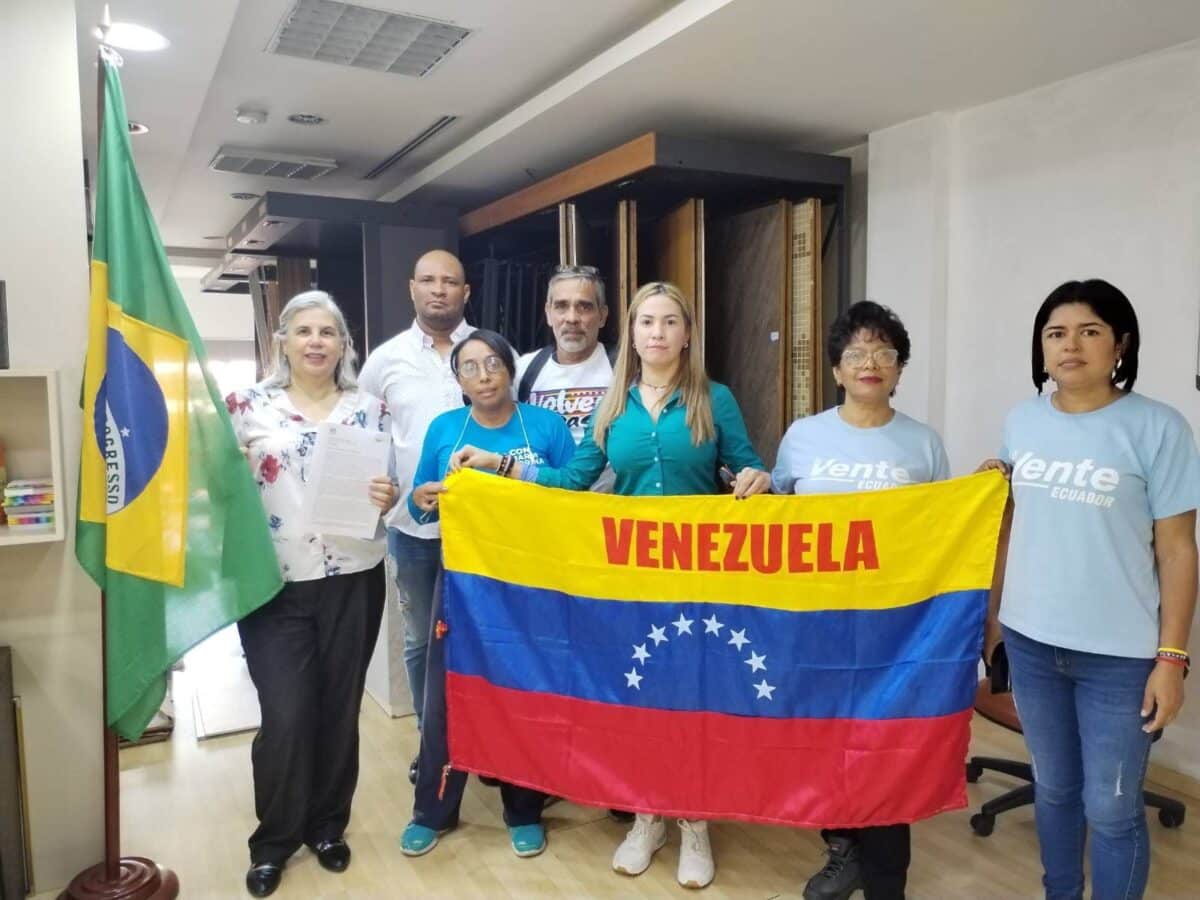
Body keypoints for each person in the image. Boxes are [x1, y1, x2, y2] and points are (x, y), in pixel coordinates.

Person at [453, 281, 772, 889]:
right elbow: (573, 478)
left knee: (692, 700)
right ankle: (649, 817)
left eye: (670, 322)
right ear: (632, 331)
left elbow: (746, 461)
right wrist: (500, 467)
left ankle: (695, 824)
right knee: (642, 702)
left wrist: (757, 475)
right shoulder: (614, 404)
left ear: (686, 332)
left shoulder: (715, 398)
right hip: (629, 580)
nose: (657, 333)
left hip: (696, 578)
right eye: (647, 321)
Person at [979, 279, 1199, 900]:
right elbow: (1008, 523)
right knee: (1054, 788)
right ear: (1041, 350)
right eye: (1056, 333)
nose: (1070, 345)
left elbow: (1178, 549)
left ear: (1120, 345)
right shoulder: (1022, 421)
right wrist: (994, 618)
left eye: (1089, 331)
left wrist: (1172, 658)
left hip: (1121, 657)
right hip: (1030, 641)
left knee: (1112, 808)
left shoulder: (1158, 427)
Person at [772, 301, 950, 900]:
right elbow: (775, 522)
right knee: (826, 741)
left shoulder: (923, 444)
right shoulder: (803, 437)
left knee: (884, 748)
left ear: (899, 368)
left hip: (895, 628)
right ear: (836, 371)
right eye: (855, 353)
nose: (869, 363)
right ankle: (842, 847)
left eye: (883, 352)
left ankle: (885, 879)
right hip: (818, 622)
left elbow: (943, 534)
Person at [226, 290, 398, 898]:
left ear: (345, 344)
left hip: (354, 576)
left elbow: (390, 489)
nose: (317, 342)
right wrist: (232, 477)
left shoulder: (370, 409)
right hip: (272, 582)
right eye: (304, 331)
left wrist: (388, 496)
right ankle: (273, 840)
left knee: (337, 709)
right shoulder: (245, 406)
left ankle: (327, 826)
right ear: (284, 341)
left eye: (329, 332)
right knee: (287, 714)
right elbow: (212, 492)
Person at [398, 329, 577, 860]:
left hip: (530, 584)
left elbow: (573, 485)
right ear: (458, 380)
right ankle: (432, 811)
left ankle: (523, 809)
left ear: (510, 369)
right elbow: (417, 505)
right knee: (446, 699)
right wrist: (423, 496)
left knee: (523, 695)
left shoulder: (544, 425)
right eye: (470, 367)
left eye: (493, 363)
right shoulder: (445, 429)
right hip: (462, 585)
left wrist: (508, 470)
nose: (483, 375)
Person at [358, 250, 472, 784]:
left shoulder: (490, 352)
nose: (439, 290)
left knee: (481, 637)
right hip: (412, 529)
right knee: (421, 641)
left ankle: (481, 742)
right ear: (412, 289)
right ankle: (434, 745)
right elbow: (362, 437)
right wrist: (374, 490)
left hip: (483, 532)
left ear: (466, 292)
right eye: (428, 280)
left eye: (450, 281)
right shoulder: (385, 360)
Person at [515, 263, 616, 492]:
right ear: (548, 313)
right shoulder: (524, 369)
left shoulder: (624, 369)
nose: (572, 318)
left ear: (602, 315)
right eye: (561, 306)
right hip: (542, 506)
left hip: (607, 511)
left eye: (584, 307)